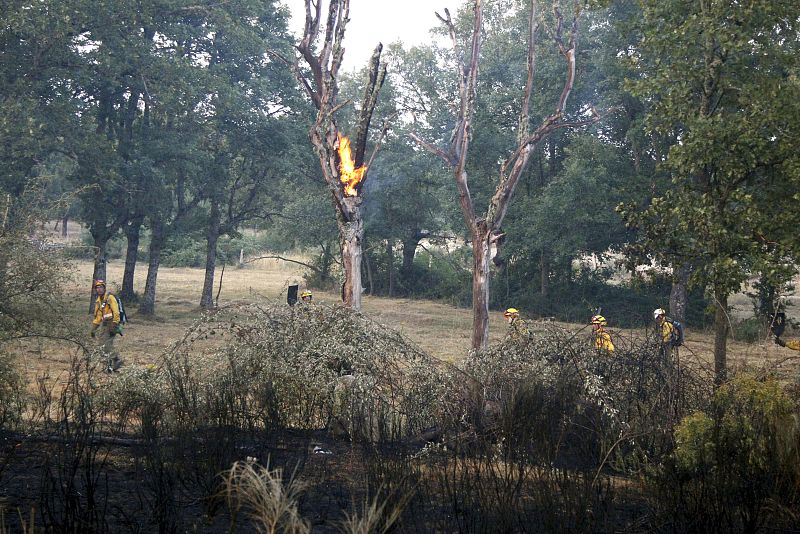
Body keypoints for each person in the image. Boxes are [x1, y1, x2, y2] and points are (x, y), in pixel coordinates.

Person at [91, 279, 122, 372]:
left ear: (104, 288)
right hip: (104, 325)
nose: (99, 289)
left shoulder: (110, 298)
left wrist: (115, 323)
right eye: (97, 287)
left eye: (101, 287)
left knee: (106, 345)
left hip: (112, 323)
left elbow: (116, 311)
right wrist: (94, 328)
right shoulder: (99, 301)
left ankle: (116, 360)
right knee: (102, 346)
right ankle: (109, 367)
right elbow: (98, 316)